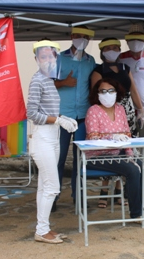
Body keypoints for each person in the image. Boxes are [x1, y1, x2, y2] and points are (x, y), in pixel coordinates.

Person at [27, 39, 78, 244]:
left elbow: (47, 109)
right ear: (36, 59)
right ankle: (41, 230)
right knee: (52, 187)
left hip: (53, 136)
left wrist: (60, 119)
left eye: (51, 56)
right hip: (43, 138)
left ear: (56, 57)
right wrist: (57, 119)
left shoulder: (49, 79)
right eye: (43, 56)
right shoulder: (37, 79)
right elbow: (31, 113)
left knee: (44, 186)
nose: (47, 60)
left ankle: (43, 228)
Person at [85, 77, 144, 223]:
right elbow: (93, 138)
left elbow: (126, 135)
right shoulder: (93, 111)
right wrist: (113, 137)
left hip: (119, 154)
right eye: (103, 91)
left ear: (117, 92)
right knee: (133, 170)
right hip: (97, 156)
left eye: (110, 90)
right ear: (97, 94)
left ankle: (141, 207)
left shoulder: (120, 109)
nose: (107, 94)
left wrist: (130, 155)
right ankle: (136, 215)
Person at [91, 37, 144, 207]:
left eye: (115, 47)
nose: (112, 50)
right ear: (102, 51)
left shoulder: (124, 68)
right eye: (108, 48)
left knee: (125, 151)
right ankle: (104, 191)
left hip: (126, 111)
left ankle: (120, 191)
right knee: (108, 150)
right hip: (107, 113)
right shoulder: (98, 70)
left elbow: (133, 90)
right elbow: (95, 95)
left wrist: (140, 110)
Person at [53, 26, 97, 211]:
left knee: (80, 158)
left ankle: (77, 195)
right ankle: (53, 197)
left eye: (85, 37)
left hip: (82, 116)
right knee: (58, 158)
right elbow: (47, 83)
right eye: (78, 36)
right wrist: (64, 82)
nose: (82, 40)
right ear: (71, 37)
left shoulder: (91, 61)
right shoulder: (59, 58)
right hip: (63, 117)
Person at [119, 24, 144, 199]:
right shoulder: (121, 59)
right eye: (132, 40)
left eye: (139, 40)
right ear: (127, 42)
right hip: (127, 111)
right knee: (128, 149)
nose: (136, 43)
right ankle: (131, 184)